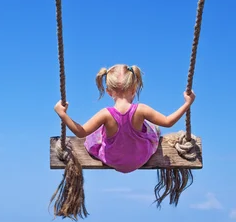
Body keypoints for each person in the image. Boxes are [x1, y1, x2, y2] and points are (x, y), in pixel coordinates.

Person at [54, 64, 195, 173]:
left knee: (95, 134)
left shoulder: (105, 114)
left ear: (109, 92)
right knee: (152, 128)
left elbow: (81, 132)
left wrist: (63, 114)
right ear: (134, 88)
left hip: (113, 159)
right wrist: (187, 103)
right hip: (140, 158)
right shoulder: (141, 109)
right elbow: (168, 122)